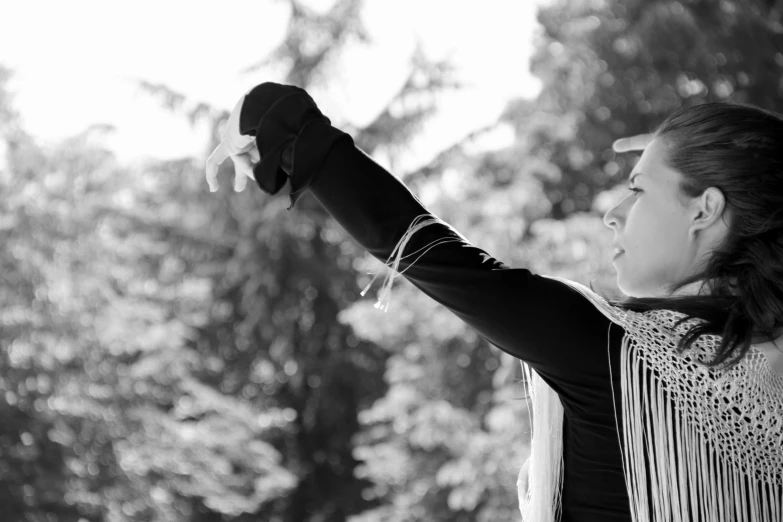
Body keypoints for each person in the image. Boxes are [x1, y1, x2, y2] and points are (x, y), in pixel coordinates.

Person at [206, 83, 783, 522]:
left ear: (704, 209)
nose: (613, 212)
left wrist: (276, 120)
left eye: (636, 189)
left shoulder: (618, 354)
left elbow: (425, 247)